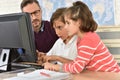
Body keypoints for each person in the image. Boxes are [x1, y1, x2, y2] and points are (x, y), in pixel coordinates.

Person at [43, 1, 120, 73]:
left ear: (79, 22)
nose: (65, 27)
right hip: (99, 74)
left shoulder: (89, 39)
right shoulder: (81, 39)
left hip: (111, 74)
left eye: (68, 23)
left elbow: (77, 67)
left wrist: (55, 67)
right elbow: (78, 63)